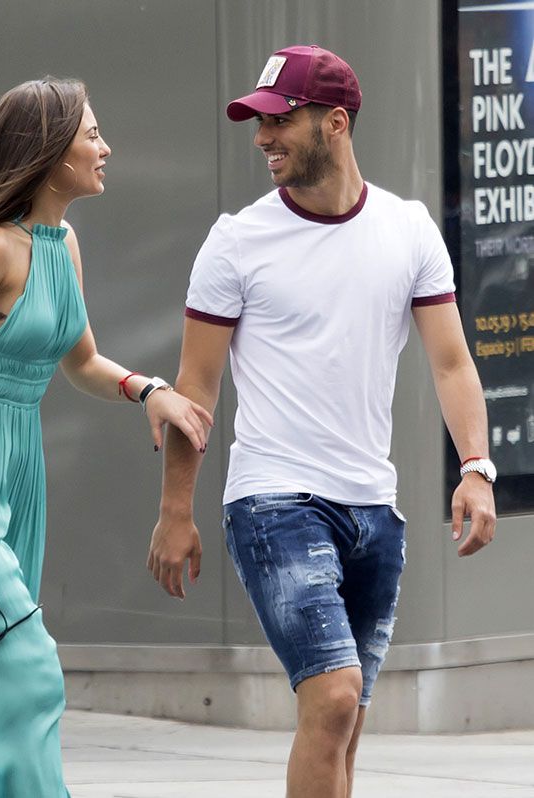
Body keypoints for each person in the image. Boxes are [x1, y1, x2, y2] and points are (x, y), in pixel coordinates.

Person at [147, 45, 497, 798]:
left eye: (280, 120)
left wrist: (476, 467)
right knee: (334, 696)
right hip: (273, 501)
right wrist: (177, 511)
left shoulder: (407, 229)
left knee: (343, 726)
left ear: (335, 123)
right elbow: (193, 391)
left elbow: (452, 364)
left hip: (375, 508)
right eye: (258, 122)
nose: (262, 138)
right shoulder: (236, 242)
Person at [0, 77, 212, 798]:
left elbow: (83, 362)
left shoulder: (62, 243)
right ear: (48, 151)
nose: (106, 147)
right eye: (91, 135)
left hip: (17, 475)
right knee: (26, 670)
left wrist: (148, 390)